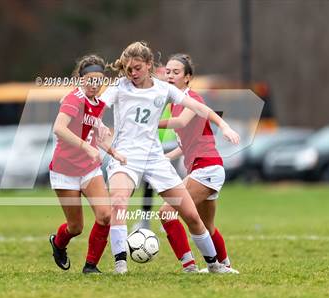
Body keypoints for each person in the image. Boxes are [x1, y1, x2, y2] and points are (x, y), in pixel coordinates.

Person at [99, 41, 239, 274]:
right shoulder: (119, 86)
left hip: (155, 158)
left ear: (149, 65)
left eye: (137, 68)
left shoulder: (164, 90)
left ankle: (214, 265)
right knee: (119, 202)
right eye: (128, 68)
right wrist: (87, 113)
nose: (132, 73)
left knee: (191, 215)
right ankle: (120, 264)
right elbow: (97, 105)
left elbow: (200, 109)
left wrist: (224, 126)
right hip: (125, 156)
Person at [158, 53, 238, 273]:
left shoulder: (193, 98)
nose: (170, 76)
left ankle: (189, 266)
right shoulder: (174, 103)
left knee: (166, 212)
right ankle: (226, 267)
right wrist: (167, 156)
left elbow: (181, 121)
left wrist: (148, 121)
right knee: (207, 226)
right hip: (205, 169)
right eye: (168, 72)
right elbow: (186, 143)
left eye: (176, 72)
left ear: (188, 77)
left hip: (207, 168)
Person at [49, 54, 126, 274]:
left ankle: (91, 266)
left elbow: (96, 133)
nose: (95, 84)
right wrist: (86, 146)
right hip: (65, 171)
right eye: (90, 79)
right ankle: (58, 243)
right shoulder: (74, 99)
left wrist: (113, 152)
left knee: (105, 215)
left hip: (89, 170)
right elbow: (59, 128)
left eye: (99, 80)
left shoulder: (98, 104)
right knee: (75, 227)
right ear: (81, 79)